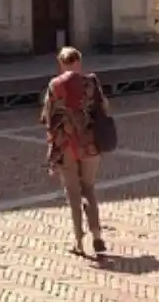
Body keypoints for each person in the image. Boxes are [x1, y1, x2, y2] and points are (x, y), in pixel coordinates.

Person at [40, 46, 108, 255]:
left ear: (61, 63)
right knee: (89, 189)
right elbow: (104, 108)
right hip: (90, 144)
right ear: (79, 62)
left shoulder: (55, 85)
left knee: (73, 194)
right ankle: (97, 234)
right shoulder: (91, 82)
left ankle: (79, 241)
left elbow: (47, 117)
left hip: (66, 144)